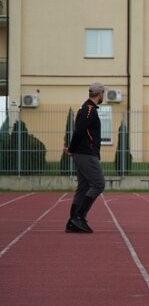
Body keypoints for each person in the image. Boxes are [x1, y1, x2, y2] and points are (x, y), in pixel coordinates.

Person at [65, 82, 107, 234]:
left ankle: (72, 221)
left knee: (83, 188)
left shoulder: (87, 108)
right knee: (98, 184)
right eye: (103, 93)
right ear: (100, 93)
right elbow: (80, 130)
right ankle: (79, 218)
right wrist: (72, 148)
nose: (104, 96)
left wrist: (73, 149)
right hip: (86, 154)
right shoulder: (89, 109)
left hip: (83, 153)